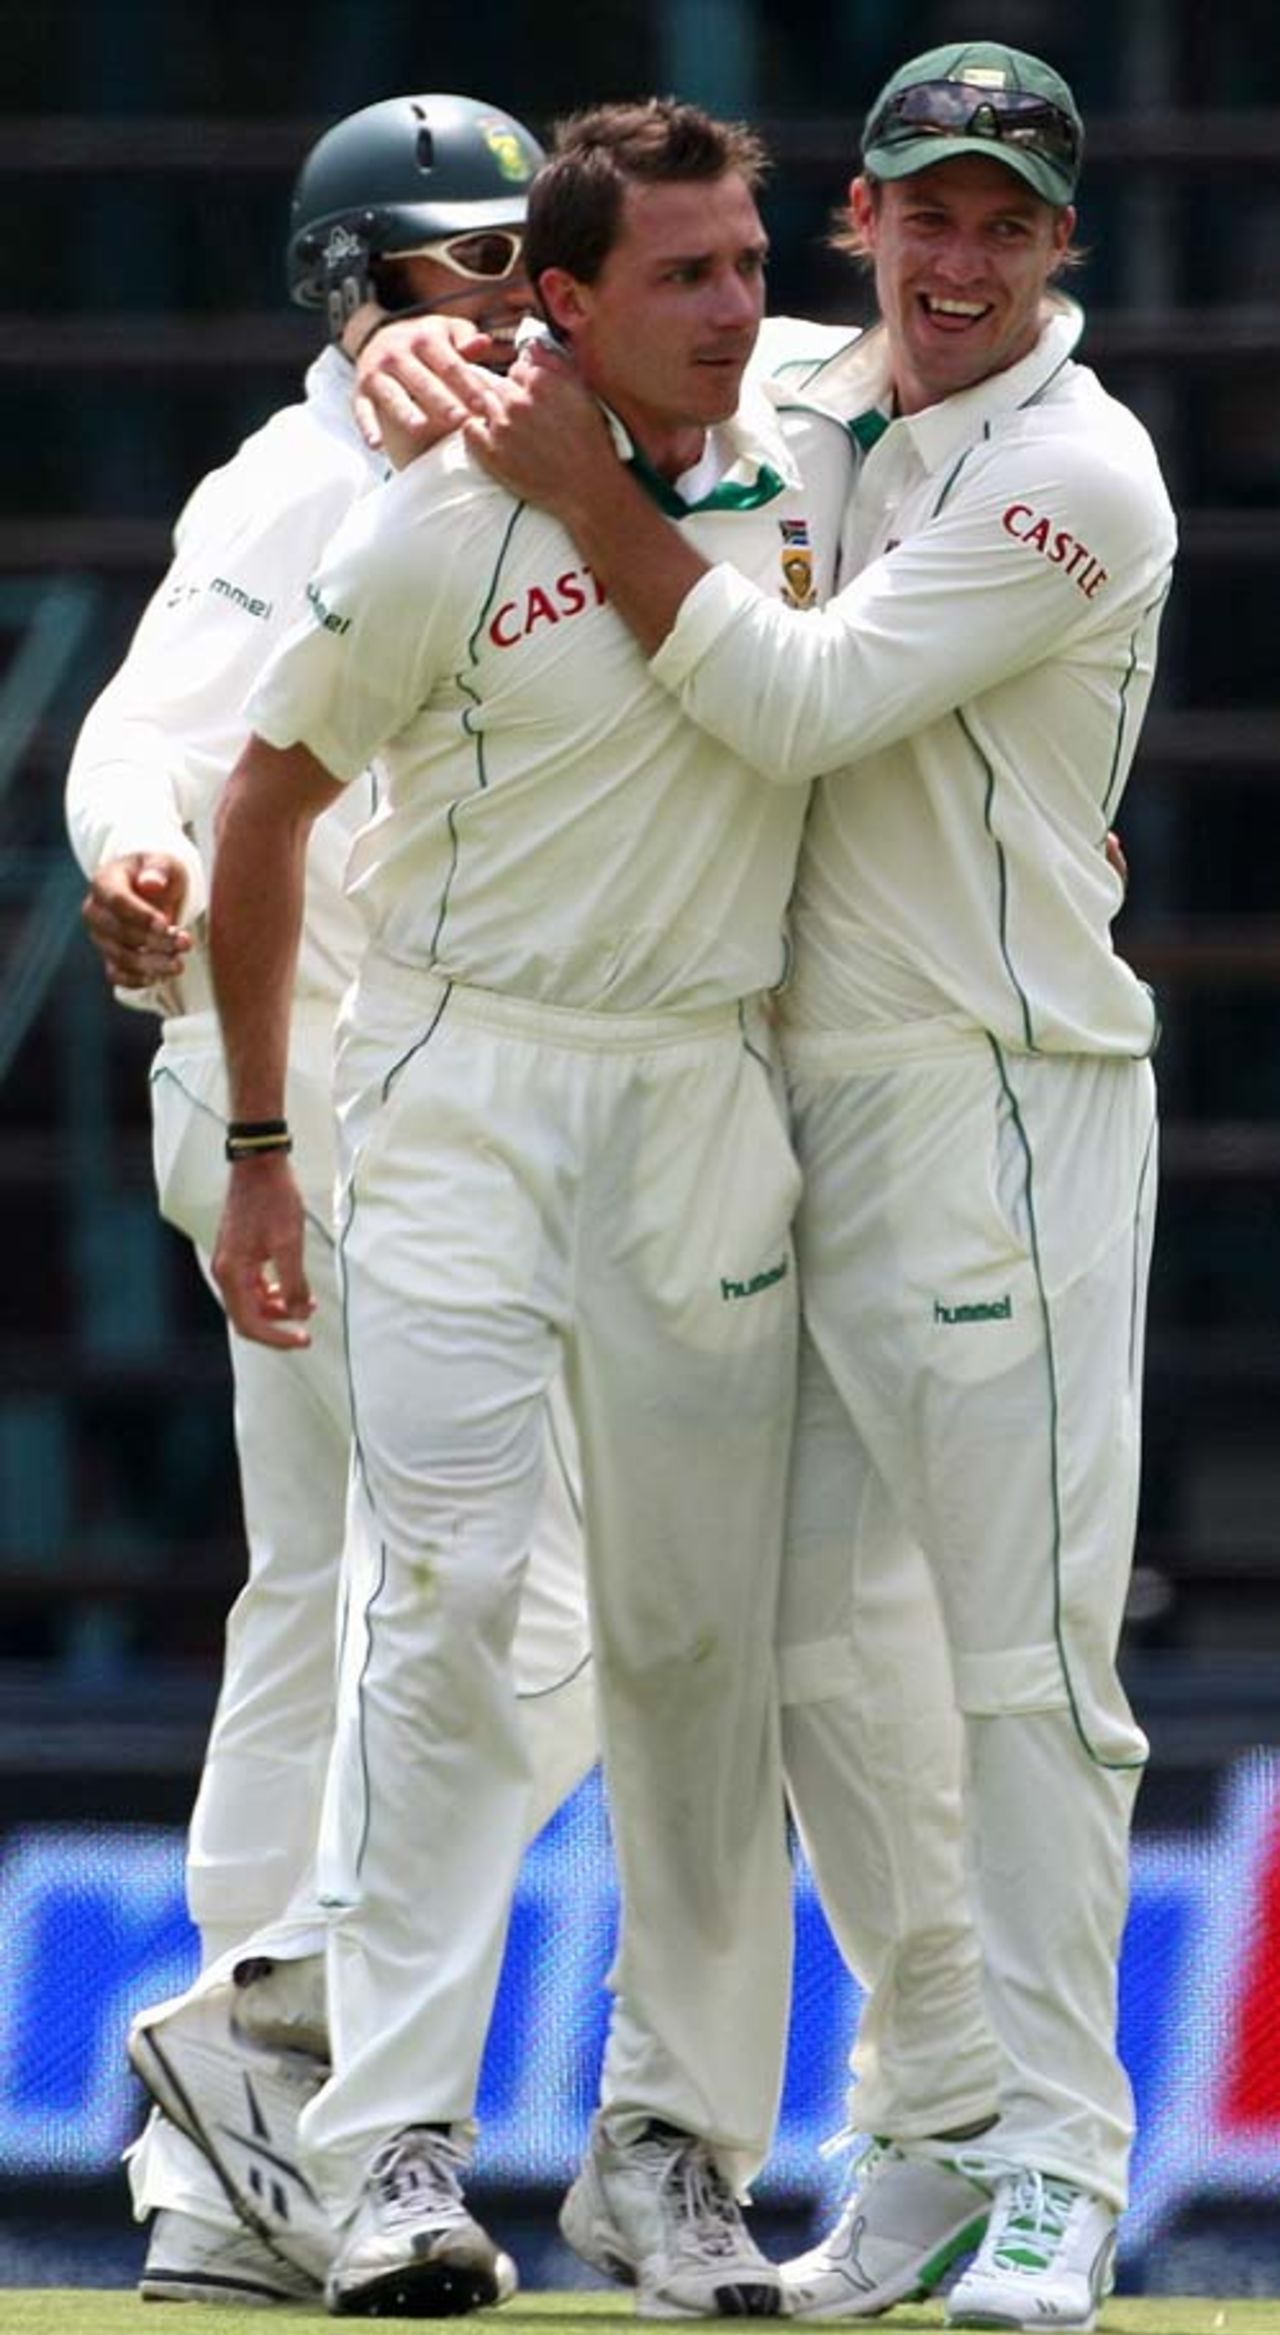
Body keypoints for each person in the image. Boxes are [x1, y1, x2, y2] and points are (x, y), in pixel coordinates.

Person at [462, 42, 1176, 2334]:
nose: (958, 261)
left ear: (1060, 245)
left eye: (1004, 224)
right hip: (787, 1111)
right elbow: (566, 328)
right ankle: (939, 2128)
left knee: (1026, 1670)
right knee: (814, 1662)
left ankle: (1061, 2166)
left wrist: (589, 502)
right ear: (861, 217)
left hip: (998, 1105)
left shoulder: (1077, 471)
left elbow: (790, 703)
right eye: (923, 213)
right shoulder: (793, 374)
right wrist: (404, 355)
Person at [207, 98, 858, 2320]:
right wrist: (263, 1145)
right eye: (683, 276)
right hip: (464, 1081)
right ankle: (390, 2153)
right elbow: (266, 809)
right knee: (448, 1602)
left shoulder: (811, 460)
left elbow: (950, 345)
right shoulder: (437, 515)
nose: (734, 311)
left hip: (706, 1090)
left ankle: (672, 2161)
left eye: (749, 267)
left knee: (696, 1644)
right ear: (561, 301)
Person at [65, 92, 599, 2311]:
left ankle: (230, 2132)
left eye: (529, 258)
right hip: (299, 1081)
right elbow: (144, 727)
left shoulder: (568, 452)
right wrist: (136, 853)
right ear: (350, 284)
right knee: (482, 1589)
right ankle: (294, 2024)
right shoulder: (294, 481)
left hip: (445, 1090)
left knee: (357, 1594)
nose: (510, 299)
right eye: (465, 262)